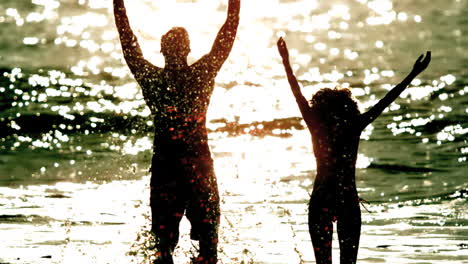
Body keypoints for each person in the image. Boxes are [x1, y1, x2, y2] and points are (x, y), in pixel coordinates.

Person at [277, 37, 430, 264]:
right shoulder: (354, 126)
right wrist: (413, 74)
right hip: (347, 199)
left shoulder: (317, 125)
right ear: (348, 108)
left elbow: (296, 92)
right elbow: (387, 100)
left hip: (322, 199)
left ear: (321, 107)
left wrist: (286, 61)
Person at [113, 0, 241, 263]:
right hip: (198, 167)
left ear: (161, 50)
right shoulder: (202, 74)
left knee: (163, 249)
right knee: (208, 248)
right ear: (189, 50)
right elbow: (228, 33)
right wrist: (234, 5)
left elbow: (127, 41)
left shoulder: (152, 79)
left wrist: (118, 4)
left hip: (165, 167)